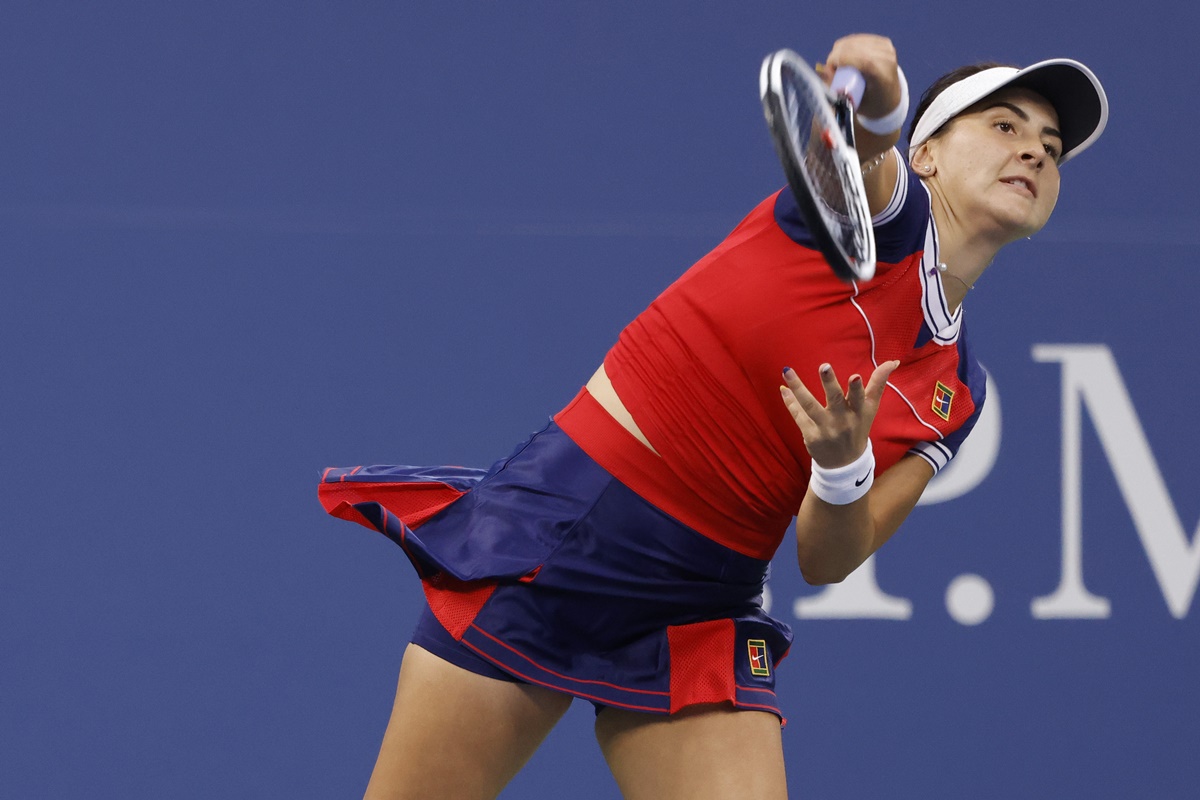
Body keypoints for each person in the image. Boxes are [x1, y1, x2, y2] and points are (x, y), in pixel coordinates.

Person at [318, 33, 1108, 799]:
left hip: (703, 601)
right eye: (1005, 126)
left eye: (1052, 145)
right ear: (928, 153)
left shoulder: (955, 390)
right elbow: (866, 146)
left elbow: (830, 556)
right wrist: (883, 88)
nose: (1036, 151)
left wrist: (839, 465)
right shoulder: (878, 221)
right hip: (569, 534)